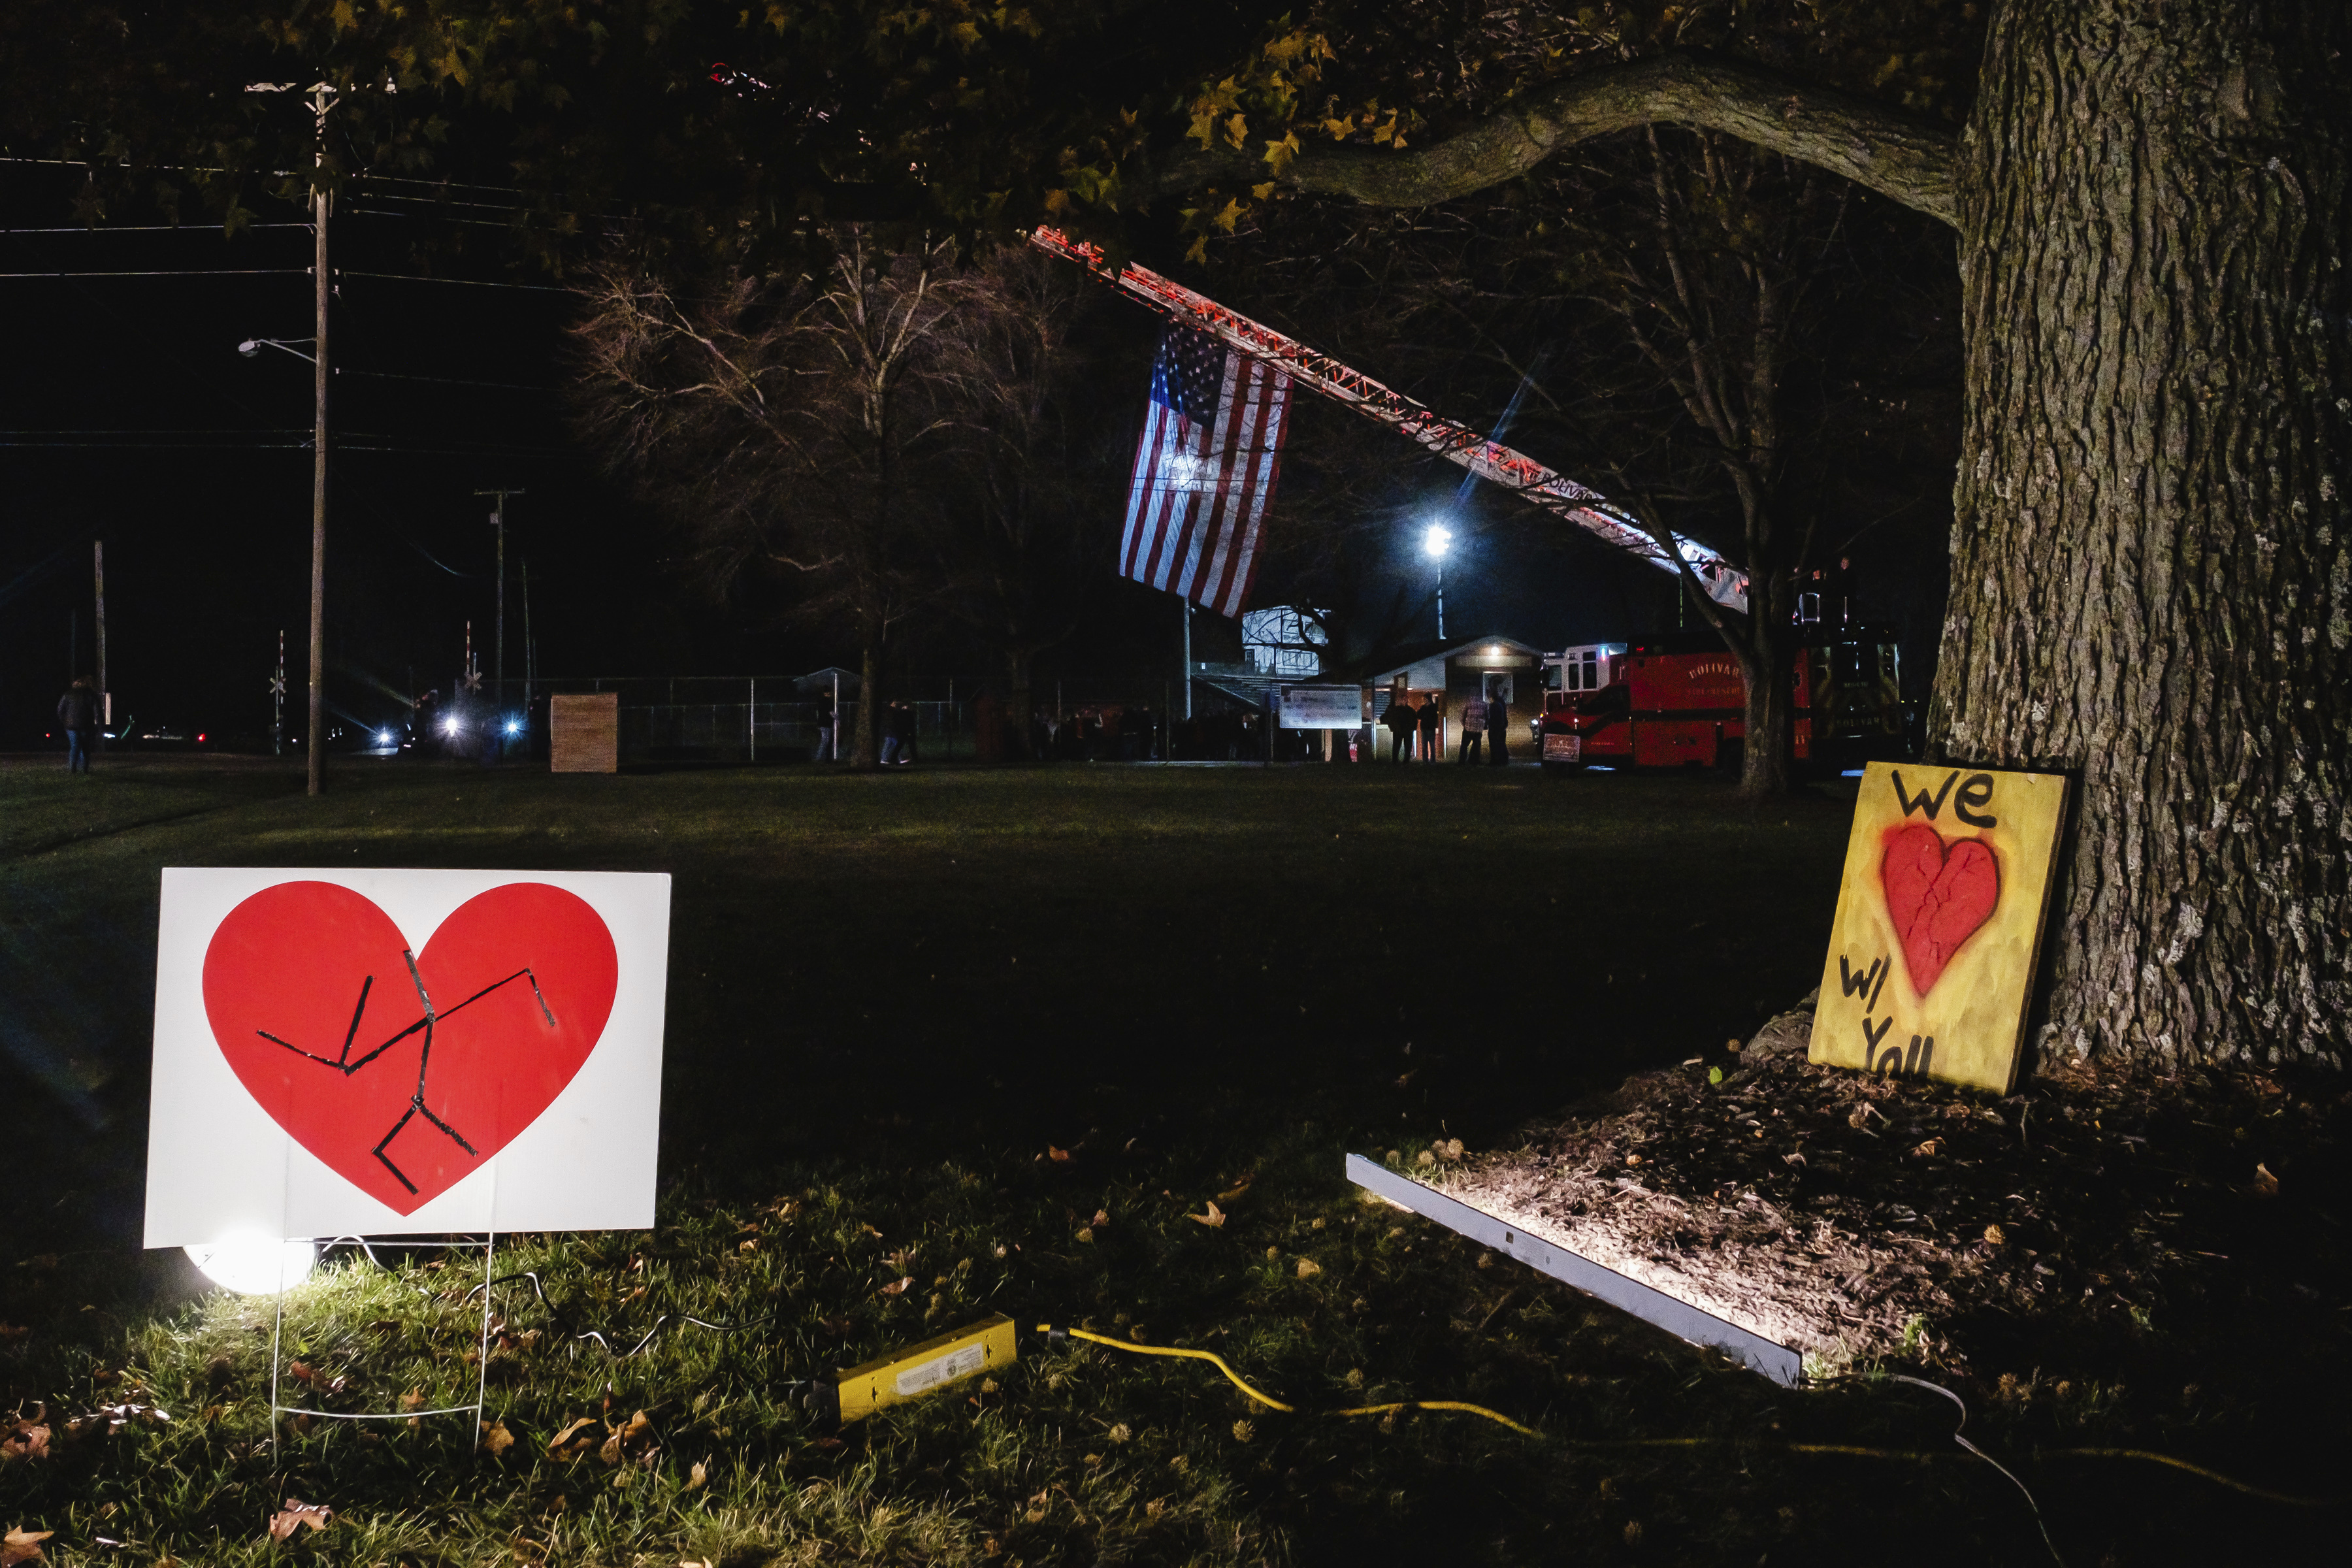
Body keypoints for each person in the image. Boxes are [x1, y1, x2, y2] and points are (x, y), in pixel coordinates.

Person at [57, 676, 101, 774]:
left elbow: (60, 710)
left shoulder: (68, 694)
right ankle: (85, 769)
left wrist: (65, 721)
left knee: (74, 746)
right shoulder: (91, 695)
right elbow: (97, 712)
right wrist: (99, 726)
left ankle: (73, 768)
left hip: (71, 726)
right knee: (85, 747)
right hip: (86, 725)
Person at [1380, 691, 1414, 762]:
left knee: (1401, 746)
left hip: (1402, 730)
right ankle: (1400, 760)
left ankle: (1400, 760)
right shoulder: (1409, 710)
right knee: (1400, 746)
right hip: (1402, 730)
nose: (1404, 701)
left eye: (1405, 699)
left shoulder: (1398, 710)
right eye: (1403, 699)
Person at [1458, 690, 1487, 764]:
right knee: (1477, 746)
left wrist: (1465, 725)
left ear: (1471, 695)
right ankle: (1475, 761)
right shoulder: (1484, 704)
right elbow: (1487, 716)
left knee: (1464, 745)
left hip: (1468, 728)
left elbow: (1462, 716)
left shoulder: (1468, 704)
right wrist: (1483, 725)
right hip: (1478, 729)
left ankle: (1462, 761)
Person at [810, 683, 836, 761]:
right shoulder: (828, 702)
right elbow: (831, 712)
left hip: (822, 723)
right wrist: (837, 718)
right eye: (829, 693)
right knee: (825, 740)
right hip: (826, 723)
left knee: (826, 740)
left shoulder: (821, 702)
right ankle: (819, 757)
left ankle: (823, 757)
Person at [1486, 683, 1511, 766]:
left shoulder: (1493, 705)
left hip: (1495, 728)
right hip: (1502, 727)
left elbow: (1492, 718)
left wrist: (1488, 724)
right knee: (1502, 744)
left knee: (1494, 745)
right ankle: (1504, 760)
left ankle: (1494, 761)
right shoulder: (1502, 702)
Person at [1416, 694, 1442, 763]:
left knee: (1431, 744)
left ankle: (1430, 760)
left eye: (1425, 699)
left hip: (1429, 728)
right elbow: (1418, 715)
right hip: (1426, 728)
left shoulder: (1432, 707)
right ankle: (1427, 760)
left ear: (1428, 699)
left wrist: (1424, 716)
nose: (1424, 700)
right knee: (1426, 744)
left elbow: (1420, 715)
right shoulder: (1427, 707)